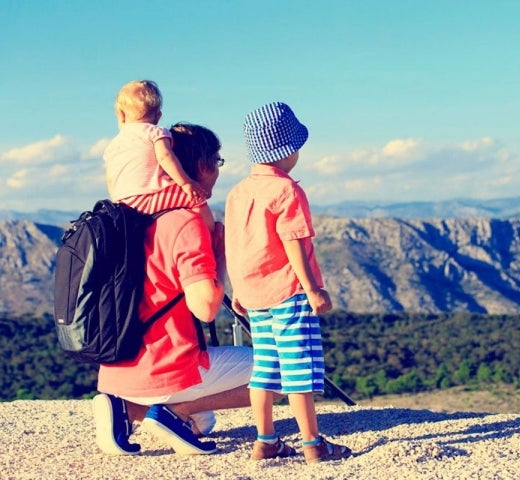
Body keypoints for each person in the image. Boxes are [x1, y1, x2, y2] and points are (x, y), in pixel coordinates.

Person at [93, 122, 251, 456]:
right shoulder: (186, 221)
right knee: (289, 368)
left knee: (205, 422)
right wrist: (220, 254)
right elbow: (205, 307)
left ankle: (127, 410)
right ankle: (170, 412)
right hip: (166, 364)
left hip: (118, 367)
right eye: (218, 162)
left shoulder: (134, 217)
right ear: (203, 166)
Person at [225, 102, 352, 463]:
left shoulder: (237, 194)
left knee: (264, 368)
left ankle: (266, 440)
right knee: (299, 370)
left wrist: (239, 290)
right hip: (289, 293)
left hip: (253, 295)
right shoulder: (287, 192)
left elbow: (235, 245)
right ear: (287, 150)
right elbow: (293, 242)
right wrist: (312, 288)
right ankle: (313, 444)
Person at [103, 80, 215, 230]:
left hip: (122, 204)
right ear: (158, 116)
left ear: (121, 115)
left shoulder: (113, 145)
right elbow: (165, 157)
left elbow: (110, 179)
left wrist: (117, 200)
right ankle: (210, 233)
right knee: (195, 199)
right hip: (146, 198)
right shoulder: (155, 132)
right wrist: (186, 183)